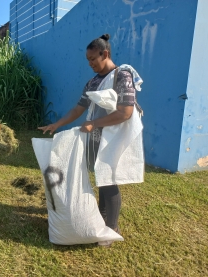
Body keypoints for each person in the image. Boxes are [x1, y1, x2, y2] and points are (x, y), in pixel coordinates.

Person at [38, 34, 144, 247]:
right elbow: (79, 108)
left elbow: (125, 112)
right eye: (87, 60)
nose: (90, 64)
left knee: (109, 180)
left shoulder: (122, 75)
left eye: (93, 59)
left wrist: (94, 124)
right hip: (96, 138)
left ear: (105, 54)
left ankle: (112, 227)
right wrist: (57, 124)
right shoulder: (93, 82)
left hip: (114, 139)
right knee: (102, 178)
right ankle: (103, 219)